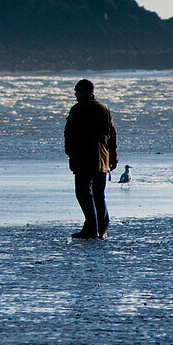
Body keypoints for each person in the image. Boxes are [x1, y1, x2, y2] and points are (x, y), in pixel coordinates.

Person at [64, 79, 117, 239]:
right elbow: (112, 135)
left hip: (82, 157)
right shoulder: (104, 109)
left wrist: (70, 154)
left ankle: (92, 228)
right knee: (99, 194)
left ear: (83, 92)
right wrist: (113, 157)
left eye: (77, 92)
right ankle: (102, 229)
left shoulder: (77, 109)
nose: (76, 95)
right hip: (102, 158)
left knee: (83, 193)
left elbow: (69, 134)